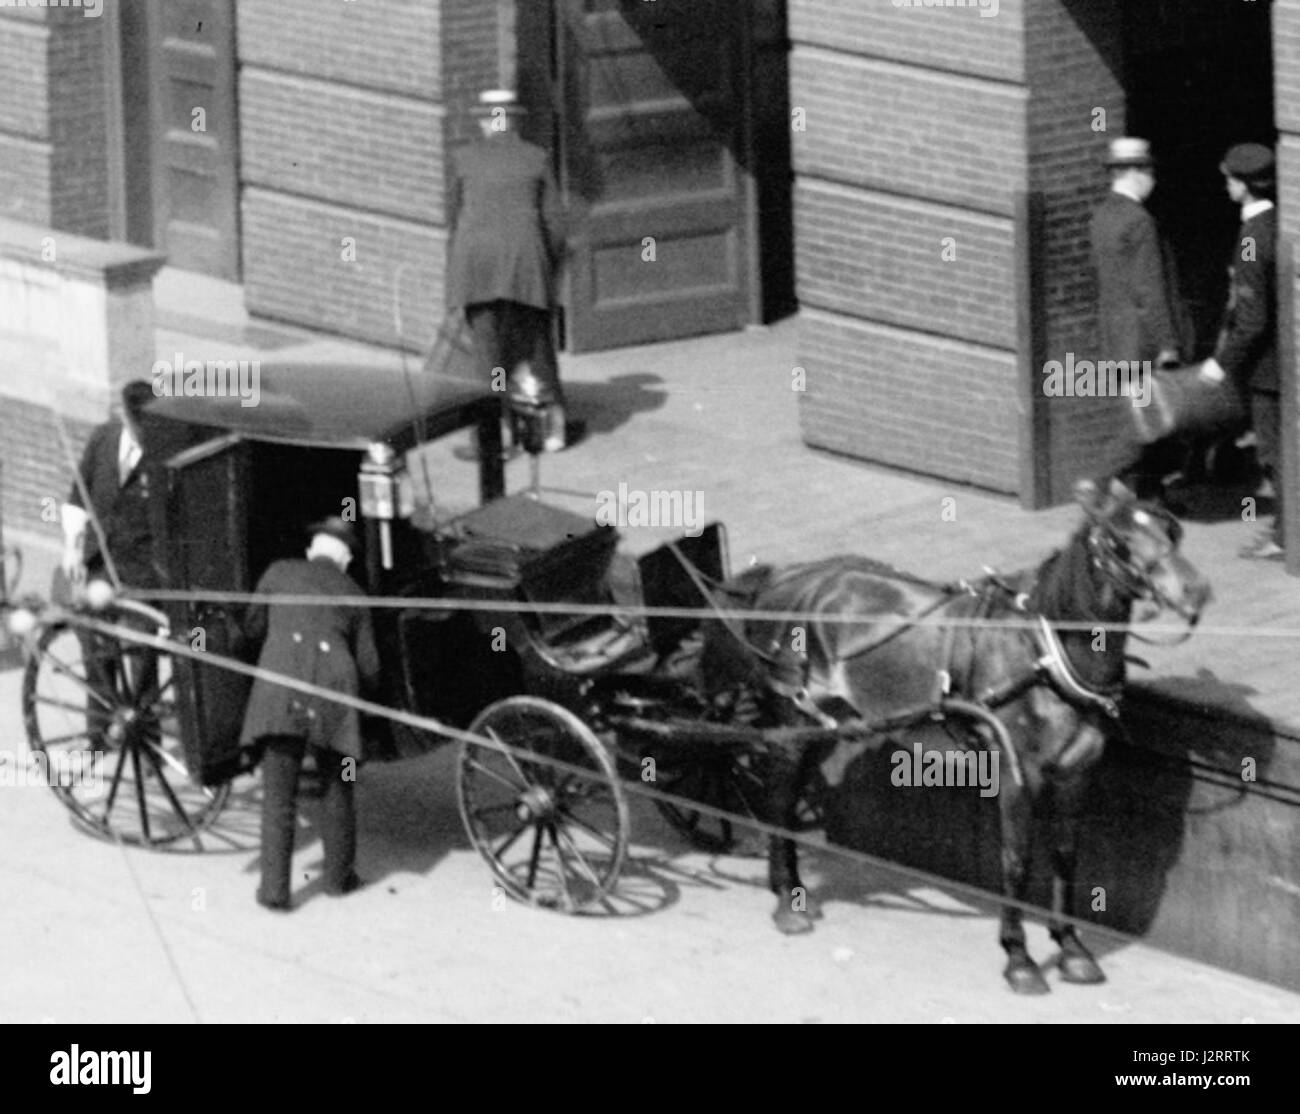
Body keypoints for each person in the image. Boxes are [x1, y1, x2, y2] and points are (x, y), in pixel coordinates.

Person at [240, 517, 380, 911]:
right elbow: (369, 667)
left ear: (310, 550)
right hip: (335, 693)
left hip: (280, 689)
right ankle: (338, 880)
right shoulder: (355, 593)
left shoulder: (278, 572)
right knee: (338, 788)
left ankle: (275, 892)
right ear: (346, 559)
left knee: (278, 795)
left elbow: (251, 629)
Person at [445, 87, 580, 454]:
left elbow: (454, 217)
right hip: (526, 266)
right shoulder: (536, 158)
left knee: (489, 356)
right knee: (537, 347)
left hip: (477, 268)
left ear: (485, 121)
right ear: (515, 120)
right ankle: (552, 430)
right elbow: (555, 225)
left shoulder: (463, 159)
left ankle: (498, 436)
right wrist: (546, 269)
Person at [60, 379, 162, 747]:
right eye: (137, 425)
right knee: (94, 644)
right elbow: (77, 495)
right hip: (100, 560)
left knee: (141, 652)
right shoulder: (103, 439)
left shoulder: (162, 453)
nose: (140, 432)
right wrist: (72, 547)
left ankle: (145, 733)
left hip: (142, 569)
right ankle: (99, 730)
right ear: (125, 416)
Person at [1091, 137, 1190, 504]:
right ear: (1133, 173)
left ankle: (1151, 498)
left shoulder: (1102, 216)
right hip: (1143, 344)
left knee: (1143, 417)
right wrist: (1168, 344)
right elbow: (1150, 290)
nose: (1154, 179)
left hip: (1116, 339)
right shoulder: (1140, 221)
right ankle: (1099, 481)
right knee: (1146, 421)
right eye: (1149, 171)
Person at [1198, 143, 1282, 560]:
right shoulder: (1278, 222)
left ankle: (1286, 536)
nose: (1227, 186)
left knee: (1273, 452)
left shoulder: (1252, 238)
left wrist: (1221, 363)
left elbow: (1253, 319)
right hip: (1283, 362)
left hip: (1268, 370)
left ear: (1246, 186)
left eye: (1230, 180)